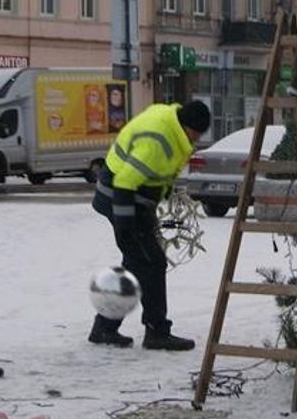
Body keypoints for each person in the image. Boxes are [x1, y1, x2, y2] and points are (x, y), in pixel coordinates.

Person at [89, 99, 212, 350]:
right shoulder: (158, 141)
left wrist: (159, 197)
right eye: (195, 134)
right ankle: (156, 331)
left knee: (137, 263)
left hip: (135, 203)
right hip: (120, 200)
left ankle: (104, 328)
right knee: (152, 262)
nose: (196, 140)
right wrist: (125, 225)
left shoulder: (173, 125)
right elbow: (125, 182)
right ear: (187, 125)